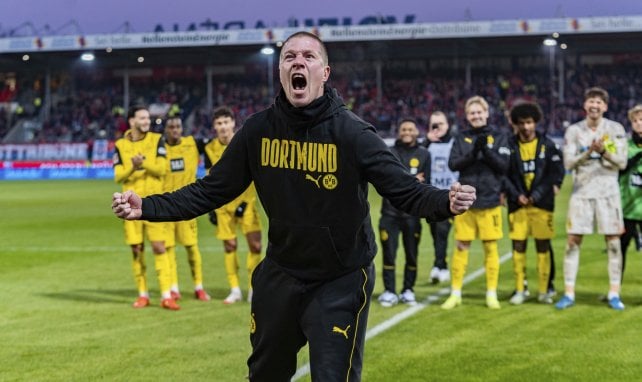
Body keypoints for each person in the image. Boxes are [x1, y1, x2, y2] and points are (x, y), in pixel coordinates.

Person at [111, 31, 476, 381]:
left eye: (308, 56)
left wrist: (446, 201)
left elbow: (404, 191)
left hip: (341, 277)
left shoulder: (353, 133)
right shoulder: (257, 131)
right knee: (264, 375)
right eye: (289, 57)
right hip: (281, 274)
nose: (297, 62)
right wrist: (147, 206)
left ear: (324, 72)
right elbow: (210, 191)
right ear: (281, 72)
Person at [556, 87, 627, 311]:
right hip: (582, 193)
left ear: (605, 106)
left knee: (613, 243)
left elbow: (621, 162)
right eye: (591, 102)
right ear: (585, 105)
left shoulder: (615, 130)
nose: (594, 105)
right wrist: (589, 151)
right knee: (572, 243)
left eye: (598, 102)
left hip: (608, 193)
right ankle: (569, 293)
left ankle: (614, 293)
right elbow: (568, 164)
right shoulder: (574, 132)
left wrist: (604, 151)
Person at [441, 95, 510, 310]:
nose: (476, 115)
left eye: (480, 112)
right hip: (465, 202)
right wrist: (474, 152)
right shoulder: (461, 138)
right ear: (467, 116)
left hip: (490, 200)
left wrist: (486, 151)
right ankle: (456, 293)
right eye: (472, 113)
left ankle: (491, 293)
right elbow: (453, 164)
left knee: (490, 247)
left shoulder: (500, 136)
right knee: (461, 246)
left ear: (487, 113)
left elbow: (504, 166)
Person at [112, 105, 179, 310]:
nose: (146, 121)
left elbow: (161, 169)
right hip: (128, 205)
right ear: (132, 121)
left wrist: (142, 164)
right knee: (136, 249)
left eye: (147, 118)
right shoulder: (120, 145)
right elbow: (118, 176)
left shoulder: (157, 140)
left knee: (159, 246)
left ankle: (166, 295)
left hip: (152, 203)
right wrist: (132, 166)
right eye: (142, 118)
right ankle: (143, 294)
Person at [502, 102, 564, 305]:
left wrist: (537, 194)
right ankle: (520, 289)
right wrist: (515, 194)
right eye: (522, 123)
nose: (526, 127)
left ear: (535, 122)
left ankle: (544, 291)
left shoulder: (547, 144)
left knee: (542, 246)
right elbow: (503, 174)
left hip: (542, 205)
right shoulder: (509, 146)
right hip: (517, 205)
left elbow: (554, 173)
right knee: (518, 246)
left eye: (529, 122)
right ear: (516, 125)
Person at [202, 106, 263, 304]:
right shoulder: (210, 149)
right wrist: (211, 206)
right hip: (224, 206)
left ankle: (254, 288)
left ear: (233, 123)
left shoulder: (244, 142)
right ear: (214, 126)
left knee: (255, 246)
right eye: (219, 123)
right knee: (230, 246)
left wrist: (245, 202)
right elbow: (211, 177)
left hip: (246, 203)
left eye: (226, 122)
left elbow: (254, 173)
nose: (223, 127)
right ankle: (235, 289)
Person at [377, 118, 430, 307]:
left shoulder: (424, 154)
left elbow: (426, 183)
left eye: (410, 129)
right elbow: (386, 181)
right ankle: (389, 291)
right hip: (390, 214)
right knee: (389, 254)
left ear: (416, 132)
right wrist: (412, 180)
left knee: (412, 254)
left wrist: (403, 180)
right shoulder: (389, 152)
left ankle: (408, 290)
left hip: (412, 215)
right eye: (403, 129)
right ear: (399, 132)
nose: (407, 131)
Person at [162, 116, 211, 302]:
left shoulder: (193, 144)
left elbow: (216, 149)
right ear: (166, 130)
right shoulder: (160, 149)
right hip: (166, 207)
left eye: (178, 126)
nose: (175, 130)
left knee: (191, 247)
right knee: (169, 248)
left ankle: (198, 286)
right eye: (171, 127)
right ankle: (173, 288)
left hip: (187, 205)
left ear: (182, 128)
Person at [424, 111, 459, 284]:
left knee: (442, 231)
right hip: (431, 195)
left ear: (448, 125)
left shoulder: (455, 142)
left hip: (449, 196)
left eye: (440, 124)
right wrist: (427, 140)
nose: (437, 128)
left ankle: (438, 266)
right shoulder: (426, 145)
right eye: (434, 125)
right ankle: (442, 265)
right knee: (435, 233)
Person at [618, 104, 642, 279]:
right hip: (626, 209)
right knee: (620, 250)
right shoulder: (623, 146)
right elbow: (618, 168)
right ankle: (615, 291)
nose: (639, 123)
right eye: (635, 120)